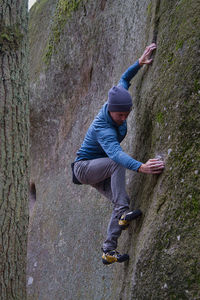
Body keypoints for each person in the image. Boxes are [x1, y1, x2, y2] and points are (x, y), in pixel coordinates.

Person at [71, 43, 165, 265]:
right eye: (120, 114)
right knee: (116, 166)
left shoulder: (117, 97)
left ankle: (108, 251)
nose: (123, 117)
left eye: (127, 114)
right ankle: (123, 215)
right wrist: (141, 167)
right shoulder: (103, 127)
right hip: (85, 168)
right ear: (111, 109)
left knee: (121, 202)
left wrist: (139, 63)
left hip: (96, 168)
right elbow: (115, 154)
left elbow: (124, 80)